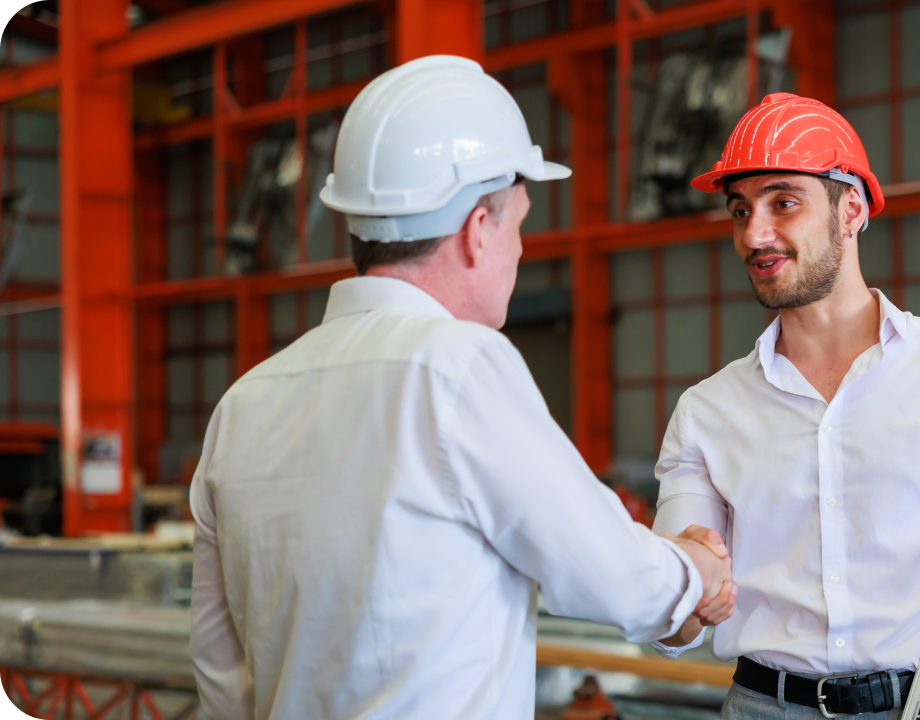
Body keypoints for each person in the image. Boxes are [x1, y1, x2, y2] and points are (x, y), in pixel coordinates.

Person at [188, 56, 735, 720]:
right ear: (479, 231)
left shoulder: (245, 402)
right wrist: (696, 575)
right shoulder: (456, 366)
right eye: (519, 226)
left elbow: (220, 669)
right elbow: (608, 572)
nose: (521, 249)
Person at [649, 93, 920, 719]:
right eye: (739, 211)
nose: (755, 234)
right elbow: (676, 624)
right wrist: (682, 592)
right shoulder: (707, 411)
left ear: (852, 209)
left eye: (784, 202)